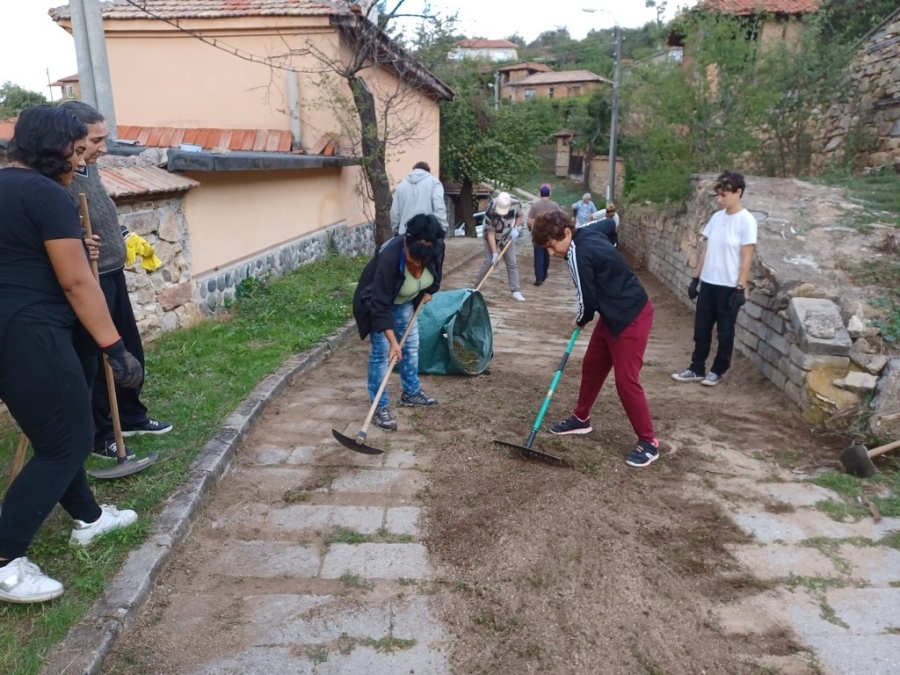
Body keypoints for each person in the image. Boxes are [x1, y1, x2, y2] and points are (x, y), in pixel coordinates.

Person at [0, 106, 142, 604]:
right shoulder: (47, 193)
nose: (81, 161)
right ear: (51, 147)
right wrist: (115, 346)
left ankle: (90, 518)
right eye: (75, 149)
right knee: (68, 442)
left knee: (52, 434)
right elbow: (78, 281)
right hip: (33, 334)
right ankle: (5, 562)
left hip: (7, 331)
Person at [60, 101, 172, 460]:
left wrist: (124, 235)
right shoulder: (58, 177)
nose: (103, 148)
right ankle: (101, 435)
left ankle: (131, 417)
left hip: (112, 272)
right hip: (89, 278)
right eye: (96, 140)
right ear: (72, 138)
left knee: (129, 351)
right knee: (96, 359)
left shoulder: (89, 168)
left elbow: (101, 210)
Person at [531, 209, 659, 468]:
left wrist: (580, 319)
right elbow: (611, 224)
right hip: (611, 315)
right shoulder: (587, 232)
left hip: (631, 315)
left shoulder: (576, 253)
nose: (551, 253)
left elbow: (586, 302)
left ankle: (648, 442)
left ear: (567, 232)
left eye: (552, 246)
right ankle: (581, 419)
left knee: (626, 381)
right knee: (592, 365)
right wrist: (612, 248)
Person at [353, 213, 445, 431]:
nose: (417, 264)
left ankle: (411, 392)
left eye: (424, 261)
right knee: (382, 353)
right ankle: (379, 407)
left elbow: (436, 272)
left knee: (412, 345)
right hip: (378, 302)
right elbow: (379, 304)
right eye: (413, 258)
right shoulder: (390, 257)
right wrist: (393, 342)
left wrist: (430, 290)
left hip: (404, 301)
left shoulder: (437, 248)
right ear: (406, 241)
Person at [672, 171, 757, 387]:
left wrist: (740, 288)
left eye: (724, 195)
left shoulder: (747, 221)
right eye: (718, 195)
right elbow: (706, 249)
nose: (719, 200)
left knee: (725, 333)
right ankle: (696, 367)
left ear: (738, 193)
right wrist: (695, 278)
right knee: (701, 329)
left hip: (729, 287)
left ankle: (718, 370)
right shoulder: (717, 218)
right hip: (709, 283)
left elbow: (747, 258)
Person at [473, 191, 525, 301]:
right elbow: (490, 233)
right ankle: (476, 288)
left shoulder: (516, 203)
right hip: (491, 236)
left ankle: (515, 291)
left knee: (512, 263)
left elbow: (519, 215)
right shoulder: (490, 208)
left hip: (507, 235)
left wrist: (516, 228)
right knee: (489, 262)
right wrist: (494, 253)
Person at [389, 161, 449, 236]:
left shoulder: (400, 186)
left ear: (413, 170)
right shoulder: (434, 183)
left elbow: (394, 212)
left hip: (406, 233)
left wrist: (396, 230)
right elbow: (439, 207)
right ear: (428, 171)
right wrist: (442, 228)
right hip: (428, 233)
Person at [526, 184, 561, 286]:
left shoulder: (535, 206)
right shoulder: (555, 205)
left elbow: (529, 221)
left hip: (538, 233)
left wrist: (530, 229)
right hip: (550, 234)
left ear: (540, 194)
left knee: (538, 255)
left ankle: (538, 278)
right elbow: (559, 220)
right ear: (549, 193)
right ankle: (544, 274)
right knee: (547, 255)